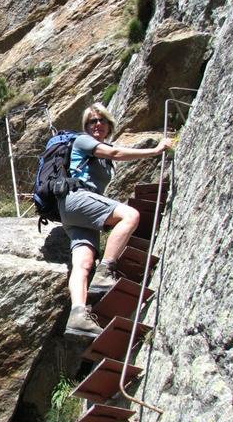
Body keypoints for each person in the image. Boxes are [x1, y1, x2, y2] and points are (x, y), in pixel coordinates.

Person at [61, 103, 174, 336]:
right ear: (85, 126)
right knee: (130, 215)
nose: (97, 124)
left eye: (102, 120)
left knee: (83, 263)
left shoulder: (99, 150)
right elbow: (115, 153)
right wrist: (155, 151)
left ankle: (78, 315)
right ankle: (106, 272)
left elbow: (112, 152)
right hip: (77, 198)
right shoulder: (82, 141)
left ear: (109, 125)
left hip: (74, 214)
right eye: (92, 121)